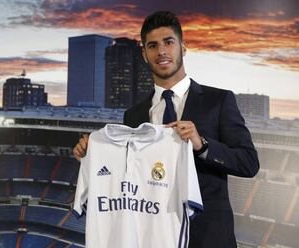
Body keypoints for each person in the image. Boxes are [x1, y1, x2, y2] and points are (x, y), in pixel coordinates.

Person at [73, 10, 260, 248]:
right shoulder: (134, 115)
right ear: (144, 54)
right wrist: (89, 153)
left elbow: (249, 163)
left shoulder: (219, 101)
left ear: (183, 47)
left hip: (208, 237)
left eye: (168, 42)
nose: (161, 51)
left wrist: (202, 145)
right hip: (153, 235)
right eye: (152, 46)